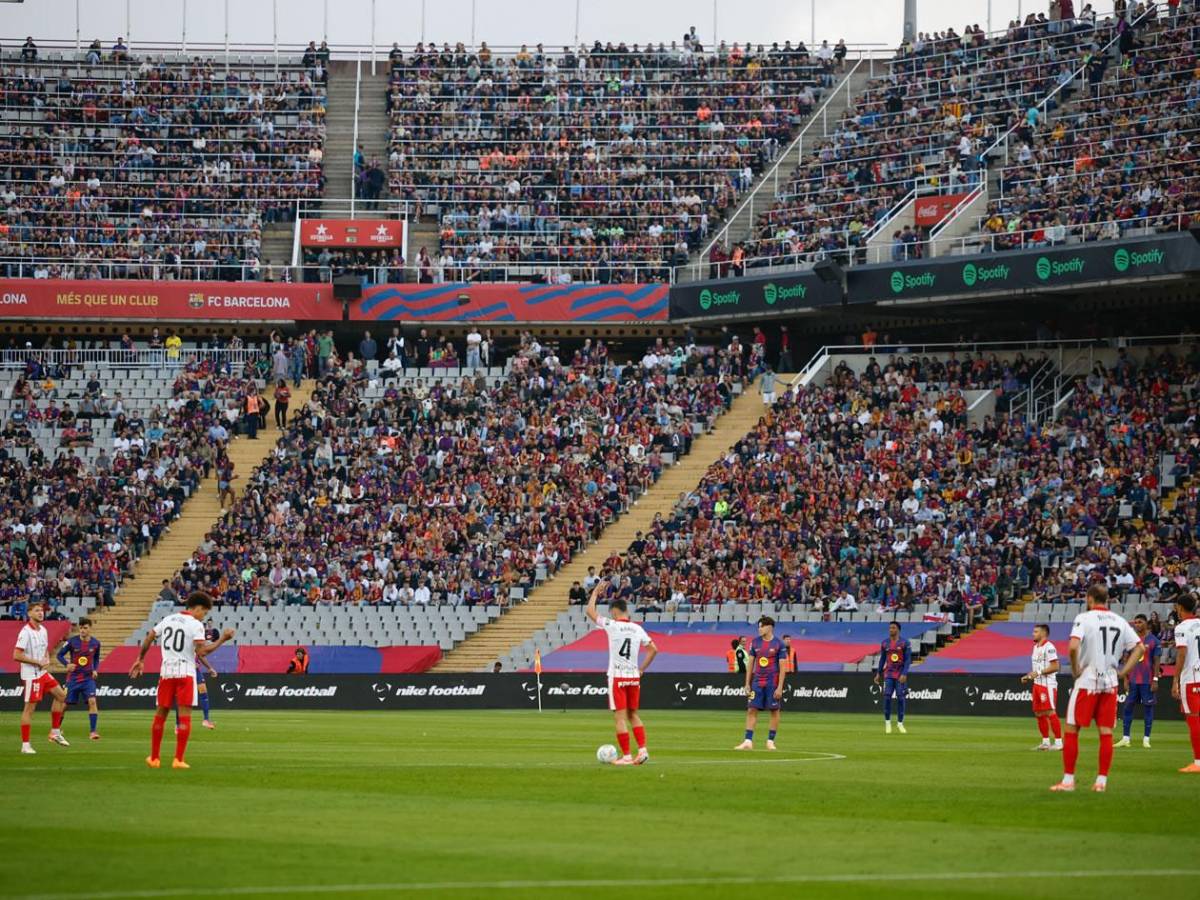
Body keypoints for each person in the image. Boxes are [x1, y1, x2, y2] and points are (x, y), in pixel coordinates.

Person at [1050, 585, 1143, 793]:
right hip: (1110, 681)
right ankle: (1101, 782)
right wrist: (1123, 670)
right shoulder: (1119, 621)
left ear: (1090, 599)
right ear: (1107, 599)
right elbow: (1140, 648)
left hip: (1087, 680)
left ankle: (1068, 781)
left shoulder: (1084, 618)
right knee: (1106, 732)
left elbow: (1073, 647)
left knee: (1072, 729)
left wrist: (1075, 669)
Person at [129, 591, 234, 769]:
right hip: (185, 672)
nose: (204, 615)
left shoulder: (169, 619)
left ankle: (154, 758)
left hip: (166, 671)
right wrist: (223, 638)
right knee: (184, 715)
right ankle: (178, 759)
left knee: (160, 715)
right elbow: (201, 652)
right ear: (198, 608)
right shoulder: (196, 624)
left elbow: (150, 636)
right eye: (205, 612)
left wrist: (140, 659)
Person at [585, 580, 657, 766]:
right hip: (633, 676)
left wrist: (595, 593)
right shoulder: (638, 628)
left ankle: (626, 756)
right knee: (633, 714)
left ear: (615, 612)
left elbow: (590, 612)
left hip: (617, 676)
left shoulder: (612, 625)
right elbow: (653, 650)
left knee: (619, 717)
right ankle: (642, 750)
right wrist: (641, 669)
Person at [13, 601, 70, 753]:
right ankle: (25, 745)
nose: (40, 613)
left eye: (42, 610)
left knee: (62, 696)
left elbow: (45, 649)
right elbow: (16, 655)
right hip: (31, 675)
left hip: (43, 673)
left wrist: (46, 659)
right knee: (29, 709)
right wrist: (37, 662)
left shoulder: (43, 630)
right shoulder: (25, 632)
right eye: (37, 610)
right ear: (29, 613)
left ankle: (55, 732)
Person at [735, 616, 786, 751]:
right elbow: (750, 664)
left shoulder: (779, 644)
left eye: (761, 626)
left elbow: (782, 667)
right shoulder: (755, 643)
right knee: (751, 709)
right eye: (759, 626)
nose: (759, 628)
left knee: (774, 710)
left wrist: (780, 687)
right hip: (757, 681)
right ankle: (748, 741)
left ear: (769, 627)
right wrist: (747, 683)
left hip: (772, 682)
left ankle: (770, 741)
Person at [1117, 614, 1160, 749]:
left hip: (1147, 680)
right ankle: (1125, 738)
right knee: (1128, 707)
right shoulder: (1131, 641)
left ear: (1146, 624)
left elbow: (1157, 662)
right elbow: (1125, 661)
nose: (1137, 624)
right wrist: (1125, 679)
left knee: (1148, 708)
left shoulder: (1154, 641)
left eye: (1140, 622)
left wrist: (1155, 679)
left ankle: (1146, 739)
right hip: (1133, 680)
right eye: (1135, 622)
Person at [56, 616, 102, 741]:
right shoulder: (72, 642)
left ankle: (93, 732)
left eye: (85, 628)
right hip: (74, 678)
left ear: (90, 629)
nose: (82, 630)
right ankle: (56, 730)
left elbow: (96, 658)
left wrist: (95, 669)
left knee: (92, 702)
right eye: (81, 628)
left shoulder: (96, 643)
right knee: (64, 705)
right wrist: (67, 664)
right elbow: (59, 655)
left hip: (88, 679)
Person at [1020, 623, 1062, 751]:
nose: (1033, 634)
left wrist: (1037, 673)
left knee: (1050, 711)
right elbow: (1037, 668)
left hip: (1047, 684)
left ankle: (1059, 743)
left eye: (1036, 632)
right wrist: (1028, 676)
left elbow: (1055, 666)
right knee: (1038, 713)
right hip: (1037, 684)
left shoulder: (1049, 647)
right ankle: (1045, 742)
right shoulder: (1035, 647)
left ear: (1043, 633)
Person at [1170, 593, 1200, 773]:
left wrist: (1175, 679)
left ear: (1180, 608)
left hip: (1191, 679)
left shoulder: (1182, 628)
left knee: (1194, 719)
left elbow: (1182, 654)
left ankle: (1198, 762)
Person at [874, 621, 911, 734]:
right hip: (888, 674)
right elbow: (882, 659)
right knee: (887, 697)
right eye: (890, 628)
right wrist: (878, 673)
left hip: (900, 674)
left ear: (898, 630)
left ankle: (900, 723)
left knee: (901, 698)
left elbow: (908, 659)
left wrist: (904, 673)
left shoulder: (905, 643)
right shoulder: (885, 643)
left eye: (893, 628)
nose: (891, 630)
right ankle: (887, 723)